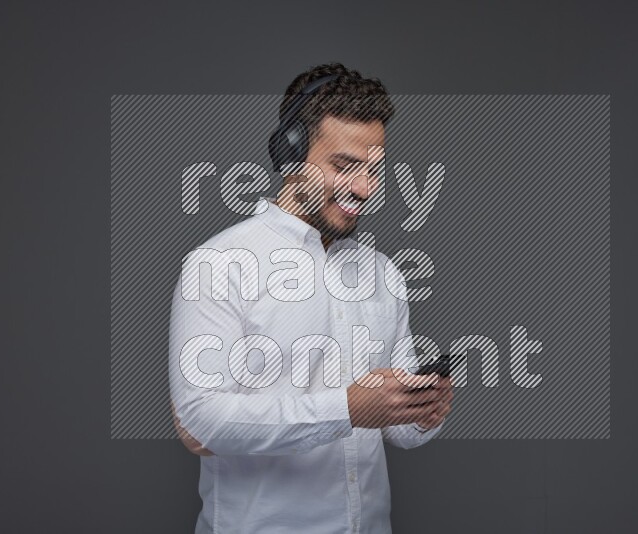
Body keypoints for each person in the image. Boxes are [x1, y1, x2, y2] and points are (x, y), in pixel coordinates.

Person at [168, 62, 453, 534]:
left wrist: (421, 410)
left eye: (373, 170)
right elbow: (200, 424)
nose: (364, 189)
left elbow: (397, 432)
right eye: (344, 166)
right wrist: (348, 408)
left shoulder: (383, 275)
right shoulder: (219, 264)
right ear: (291, 152)